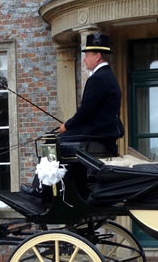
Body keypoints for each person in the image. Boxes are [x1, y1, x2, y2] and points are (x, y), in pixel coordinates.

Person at [20, 33, 124, 197]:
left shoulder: (98, 79)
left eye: (87, 56)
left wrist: (67, 125)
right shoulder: (109, 77)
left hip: (96, 134)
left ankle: (43, 188)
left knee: (52, 142)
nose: (84, 60)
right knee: (62, 139)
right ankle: (70, 186)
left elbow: (85, 111)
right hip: (104, 133)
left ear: (97, 56)